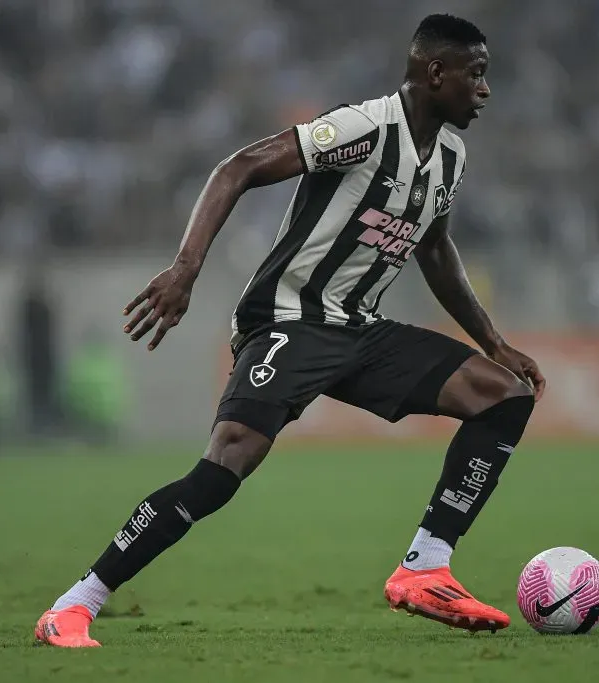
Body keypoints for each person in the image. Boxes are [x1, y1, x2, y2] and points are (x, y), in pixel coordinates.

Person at [35, 14, 546, 647]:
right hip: (288, 320)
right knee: (226, 466)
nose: (485, 90)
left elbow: (434, 249)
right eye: (476, 75)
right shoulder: (364, 128)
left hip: (361, 331)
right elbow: (239, 167)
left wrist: (493, 343)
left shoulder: (450, 155)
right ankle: (74, 604)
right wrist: (186, 270)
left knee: (504, 395)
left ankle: (426, 566)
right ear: (435, 73)